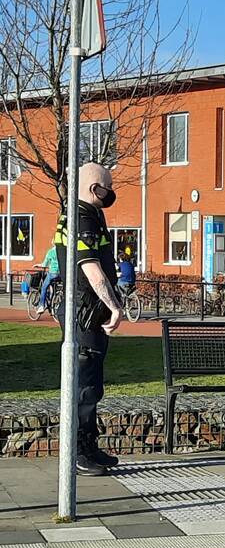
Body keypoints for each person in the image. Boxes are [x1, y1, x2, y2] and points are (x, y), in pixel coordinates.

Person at [53, 163, 125, 476]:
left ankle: (89, 447)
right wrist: (114, 306)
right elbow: (90, 268)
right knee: (85, 385)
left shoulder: (86, 214)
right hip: (85, 311)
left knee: (91, 383)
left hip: (86, 311)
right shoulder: (81, 217)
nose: (111, 192)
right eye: (107, 186)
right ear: (94, 188)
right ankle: (79, 452)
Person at [31, 244, 60, 313]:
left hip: (53, 273)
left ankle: (42, 306)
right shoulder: (64, 251)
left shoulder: (51, 252)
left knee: (44, 287)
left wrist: (38, 265)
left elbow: (45, 264)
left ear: (53, 243)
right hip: (61, 273)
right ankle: (54, 296)